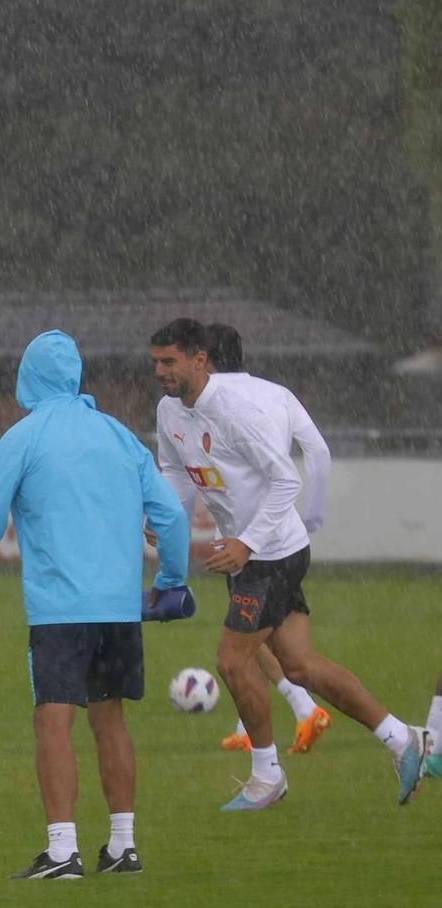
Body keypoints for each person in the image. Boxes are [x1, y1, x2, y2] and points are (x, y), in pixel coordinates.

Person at [150, 318, 429, 810]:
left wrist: (248, 544)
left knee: (232, 661)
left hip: (272, 555)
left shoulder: (235, 411)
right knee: (300, 666)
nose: (160, 372)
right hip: (253, 557)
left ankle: (267, 775)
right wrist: (169, 515)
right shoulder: (169, 412)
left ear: (200, 360)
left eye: (169, 361)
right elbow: (175, 470)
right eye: (155, 362)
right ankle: (403, 739)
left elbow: (286, 480)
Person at [0, 330, 190, 880]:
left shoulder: (25, 436)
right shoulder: (118, 435)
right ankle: (123, 847)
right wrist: (172, 583)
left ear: (27, 378)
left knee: (52, 722)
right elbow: (173, 519)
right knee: (111, 720)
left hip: (61, 610)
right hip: (119, 609)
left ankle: (62, 853)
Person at [201, 323, 334, 756]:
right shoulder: (277, 393)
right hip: (286, 537)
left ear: (203, 357)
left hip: (251, 544)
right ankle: (261, 721)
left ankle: (311, 715)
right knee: (261, 633)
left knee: (251, 640)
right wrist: (311, 516)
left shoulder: (204, 404)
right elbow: (317, 452)